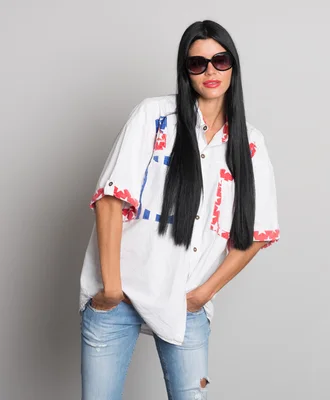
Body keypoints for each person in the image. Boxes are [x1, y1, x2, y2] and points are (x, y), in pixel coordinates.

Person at [78, 20, 280, 400]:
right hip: (120, 295)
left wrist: (203, 293)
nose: (210, 71)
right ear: (185, 71)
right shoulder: (154, 117)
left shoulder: (249, 144)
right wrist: (112, 287)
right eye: (197, 63)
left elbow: (257, 234)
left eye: (220, 60)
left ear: (233, 65)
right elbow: (109, 201)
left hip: (186, 302)